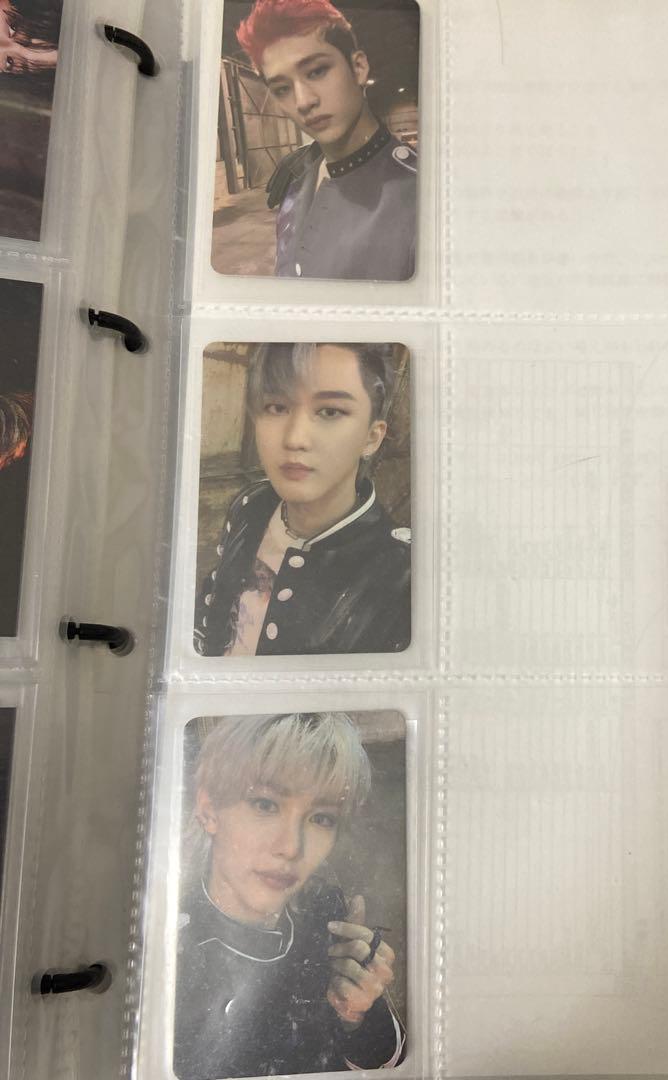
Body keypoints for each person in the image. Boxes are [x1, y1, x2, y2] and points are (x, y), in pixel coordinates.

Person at [174, 712, 406, 1078]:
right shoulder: (166, 945)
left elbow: (391, 1063)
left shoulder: (326, 914)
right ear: (209, 810)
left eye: (321, 818)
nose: (291, 847)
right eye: (265, 805)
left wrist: (359, 1015)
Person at [194, 341, 411, 656]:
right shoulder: (253, 505)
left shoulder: (400, 572)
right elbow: (213, 612)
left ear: (372, 436)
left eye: (330, 411)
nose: (295, 438)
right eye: (277, 407)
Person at [235, 0, 417, 281]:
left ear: (358, 67)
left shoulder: (420, 198)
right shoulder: (297, 181)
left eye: (317, 71)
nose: (303, 101)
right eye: (282, 89)